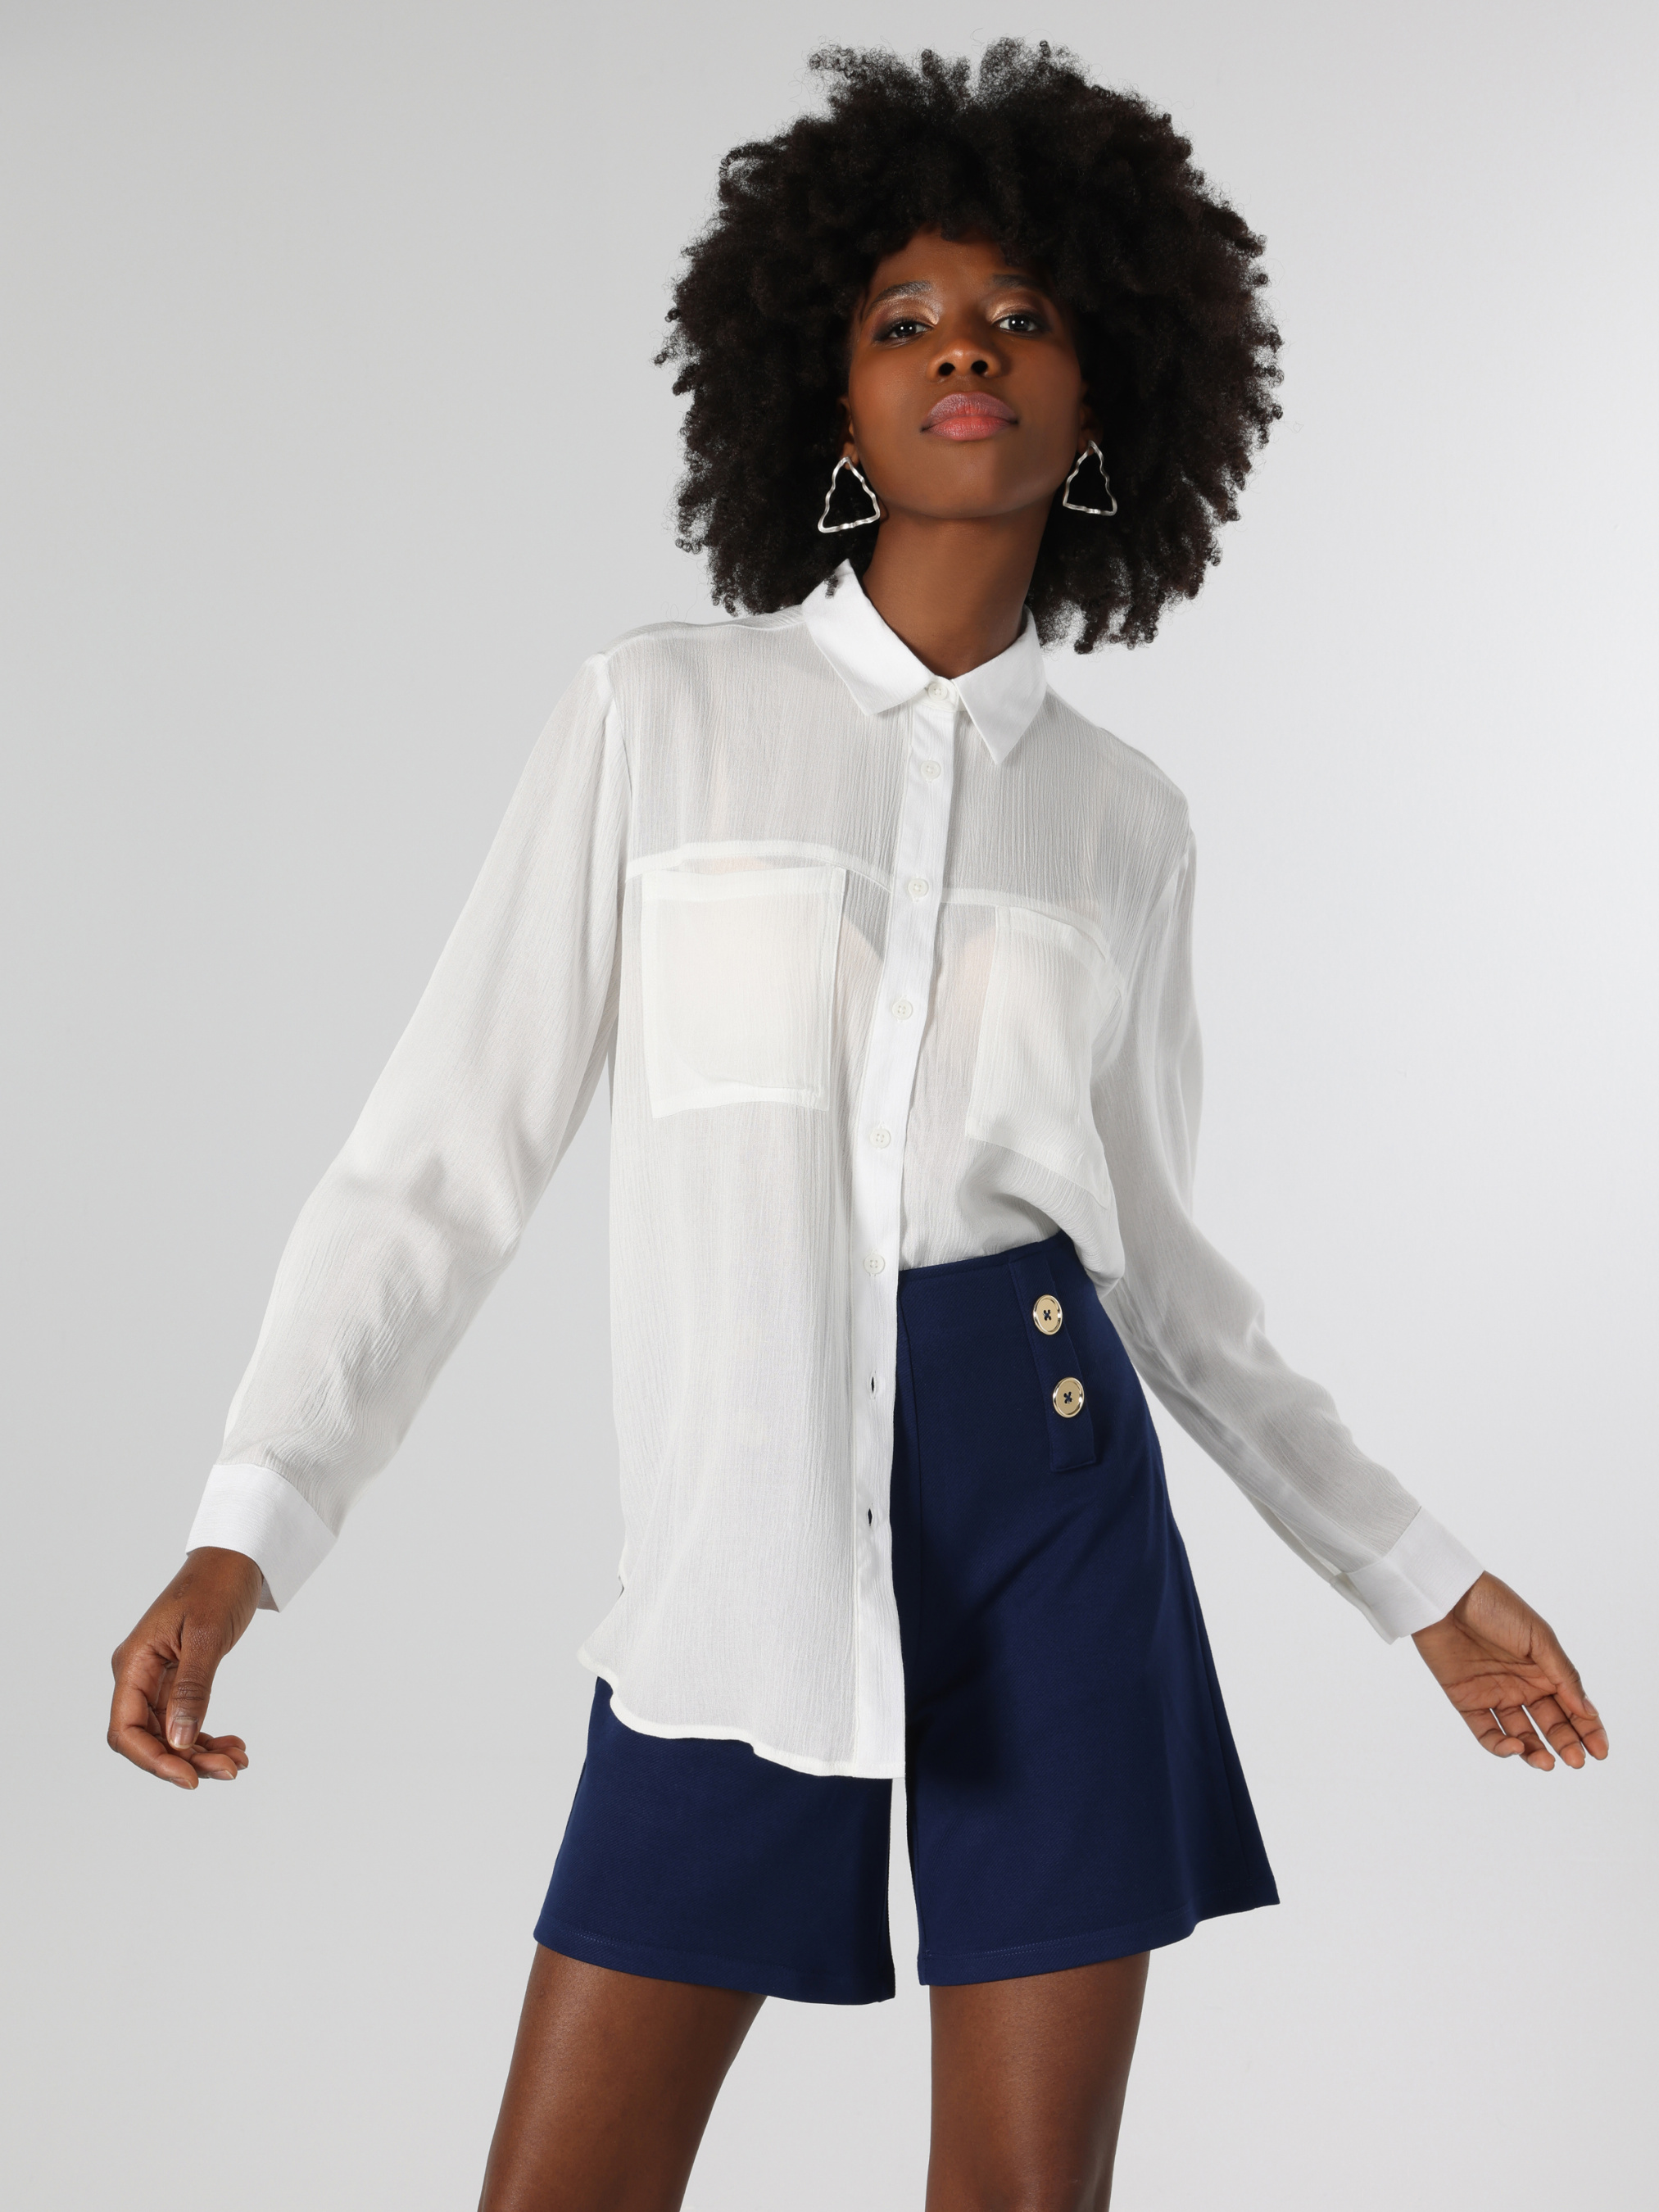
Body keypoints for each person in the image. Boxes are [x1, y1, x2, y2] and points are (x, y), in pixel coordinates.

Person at [107, 43, 1607, 2212]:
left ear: (1104, 397)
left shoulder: (1126, 823)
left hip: (1051, 1510)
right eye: (904, 319)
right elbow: (438, 1161)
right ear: (826, 398)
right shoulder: (659, 716)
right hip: (744, 1546)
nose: (962, 351)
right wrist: (248, 1528)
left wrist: (1415, 1578)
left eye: (1018, 315)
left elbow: (1167, 1278)